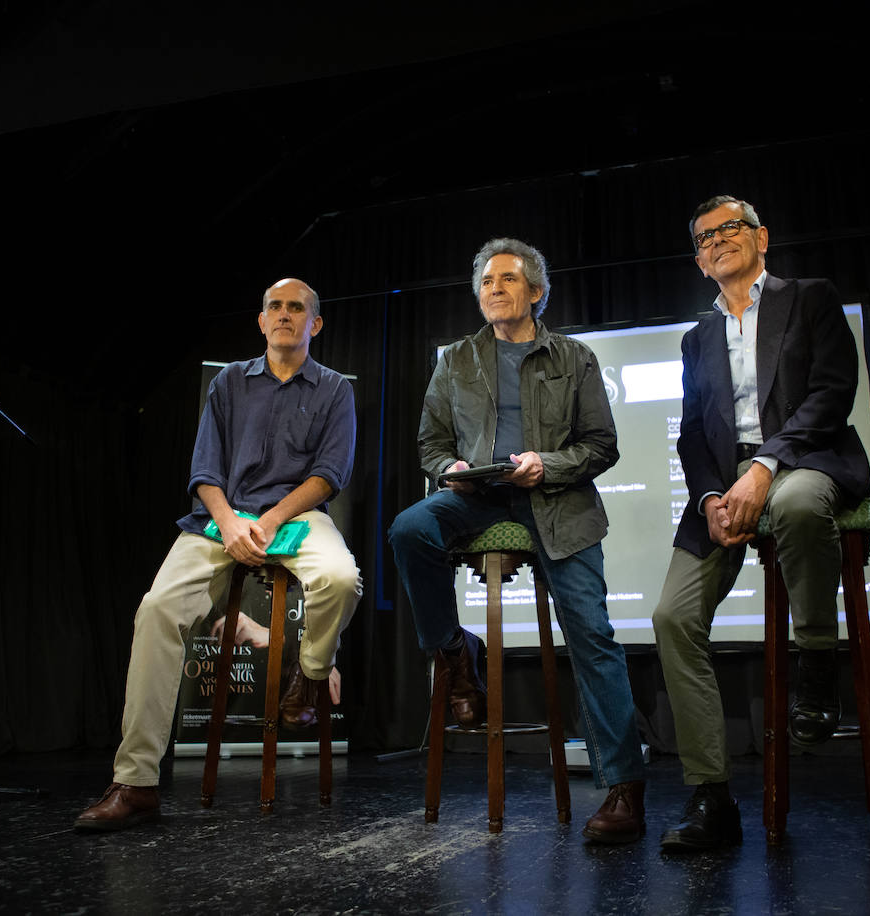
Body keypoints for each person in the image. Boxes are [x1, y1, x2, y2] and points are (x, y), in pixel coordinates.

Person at [75, 278, 362, 831]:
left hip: (297, 514)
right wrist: (230, 522)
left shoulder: (332, 389)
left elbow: (330, 473)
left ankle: (309, 671)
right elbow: (204, 471)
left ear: (314, 324)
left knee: (341, 577)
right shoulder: (230, 382)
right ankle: (135, 782)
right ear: (260, 321)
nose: (284, 315)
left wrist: (274, 518)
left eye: (296, 308)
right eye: (274, 307)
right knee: (156, 609)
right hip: (223, 517)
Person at [388, 238, 647, 844]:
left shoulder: (574, 358)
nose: (495, 289)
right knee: (410, 528)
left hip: (558, 504)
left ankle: (623, 787)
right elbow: (429, 442)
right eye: (486, 282)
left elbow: (601, 447)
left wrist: (546, 466)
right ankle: (454, 651)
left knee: (592, 634)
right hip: (475, 500)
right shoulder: (454, 360)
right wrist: (448, 468)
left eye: (508, 279)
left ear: (536, 291)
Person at [651, 196, 870, 850]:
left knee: (801, 504)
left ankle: (818, 667)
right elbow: (692, 437)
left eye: (730, 228)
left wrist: (766, 466)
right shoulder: (697, 340)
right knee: (670, 615)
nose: (718, 240)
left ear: (761, 237)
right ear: (697, 261)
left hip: (805, 459)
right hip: (727, 487)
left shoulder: (810, 298)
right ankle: (711, 796)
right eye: (705, 237)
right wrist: (711, 498)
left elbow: (831, 394)